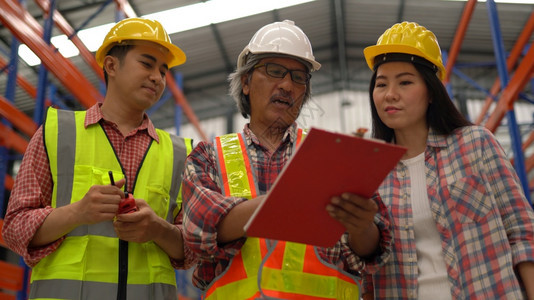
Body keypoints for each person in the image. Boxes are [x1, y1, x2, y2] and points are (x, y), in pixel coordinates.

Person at [181, 19, 392, 299]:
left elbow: (372, 252)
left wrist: (361, 226)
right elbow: (198, 230)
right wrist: (289, 197)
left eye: (298, 77)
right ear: (245, 82)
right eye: (274, 71)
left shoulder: (334, 156)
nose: (287, 85)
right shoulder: (208, 157)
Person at [2, 17, 195, 299]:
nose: (157, 77)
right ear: (111, 65)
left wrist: (158, 229)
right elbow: (16, 229)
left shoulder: (180, 153)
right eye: (147, 63)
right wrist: (77, 213)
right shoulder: (58, 133)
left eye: (164, 70)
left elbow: (193, 249)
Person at [362, 21, 534, 299]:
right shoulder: (370, 172)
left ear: (431, 91)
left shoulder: (475, 145)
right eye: (381, 84)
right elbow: (367, 276)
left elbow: (523, 232)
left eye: (405, 82)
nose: (390, 94)